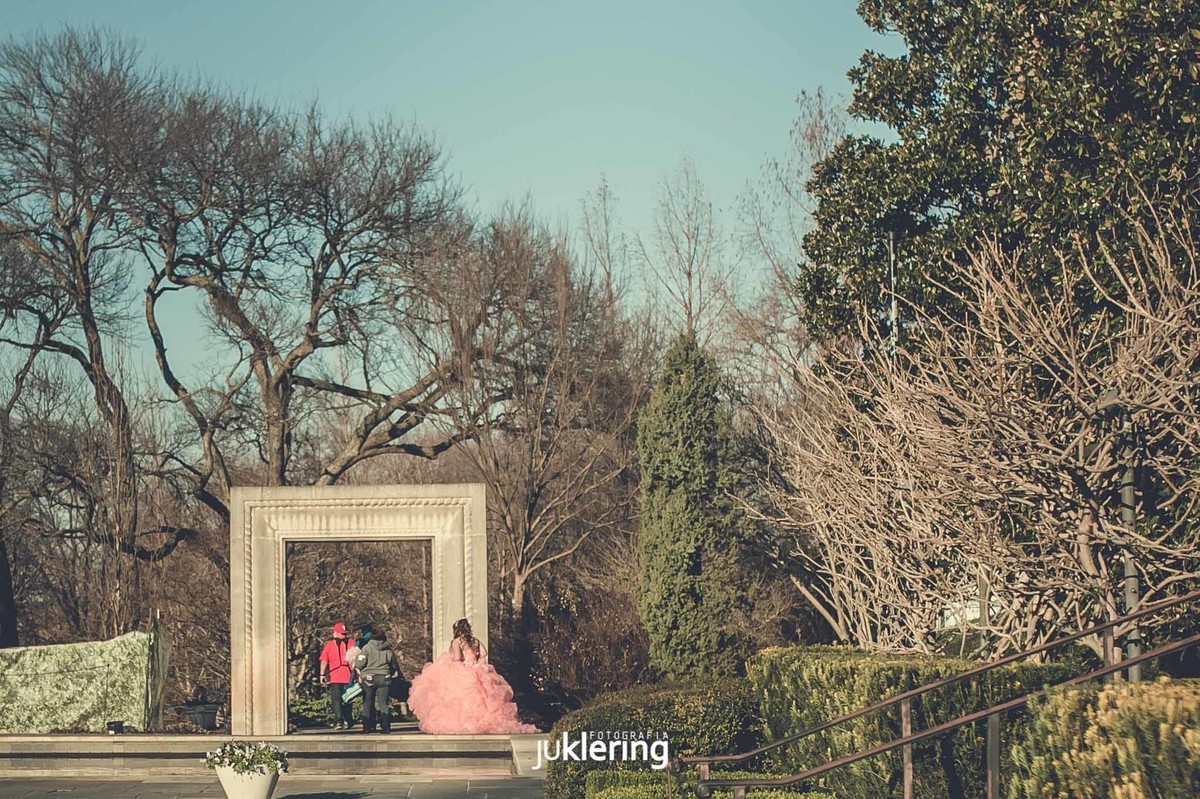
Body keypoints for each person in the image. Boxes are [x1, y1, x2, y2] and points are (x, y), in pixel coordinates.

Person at [407, 618, 538, 734]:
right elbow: (484, 653)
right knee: (482, 699)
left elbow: (457, 657)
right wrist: (475, 659)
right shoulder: (475, 641)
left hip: (463, 669)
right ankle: (483, 722)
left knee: (459, 699)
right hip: (476, 668)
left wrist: (452, 657)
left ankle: (464, 723)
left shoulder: (457, 641)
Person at [355, 628, 400, 733]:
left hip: (369, 678)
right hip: (384, 677)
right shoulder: (388, 650)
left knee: (368, 701)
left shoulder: (367, 648)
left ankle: (367, 727)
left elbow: (359, 663)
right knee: (383, 703)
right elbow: (393, 665)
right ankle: (386, 726)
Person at [317, 622, 354, 730]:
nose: (344, 636)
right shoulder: (350, 643)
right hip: (341, 676)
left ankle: (341, 720)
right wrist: (322, 674)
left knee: (340, 699)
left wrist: (322, 675)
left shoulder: (331, 644)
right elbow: (324, 660)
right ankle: (344, 720)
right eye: (342, 633)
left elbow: (324, 660)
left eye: (344, 633)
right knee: (344, 698)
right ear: (336, 633)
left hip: (344, 676)